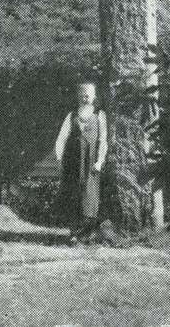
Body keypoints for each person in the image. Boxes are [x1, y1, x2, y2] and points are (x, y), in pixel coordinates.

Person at [53, 81, 107, 240]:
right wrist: (58, 158)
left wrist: (99, 161)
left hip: (91, 163)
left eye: (88, 96)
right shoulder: (72, 116)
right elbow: (61, 139)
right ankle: (74, 233)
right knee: (73, 194)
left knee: (89, 196)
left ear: (94, 97)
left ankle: (87, 233)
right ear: (78, 97)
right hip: (73, 161)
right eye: (82, 95)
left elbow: (103, 140)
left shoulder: (100, 115)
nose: (85, 98)